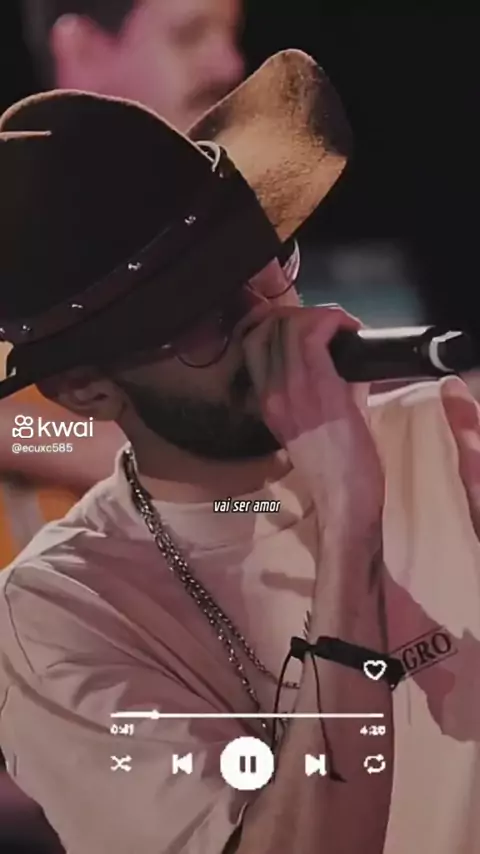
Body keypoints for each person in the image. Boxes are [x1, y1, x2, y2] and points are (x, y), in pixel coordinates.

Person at [0, 50, 478, 854]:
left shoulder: (443, 437)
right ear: (85, 388)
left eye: (267, 266)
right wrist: (349, 523)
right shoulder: (56, 616)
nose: (274, 323)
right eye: (207, 317)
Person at [0, 0, 244, 567]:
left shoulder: (228, 245)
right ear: (83, 50)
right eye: (189, 36)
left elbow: (253, 499)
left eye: (231, 34)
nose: (230, 64)